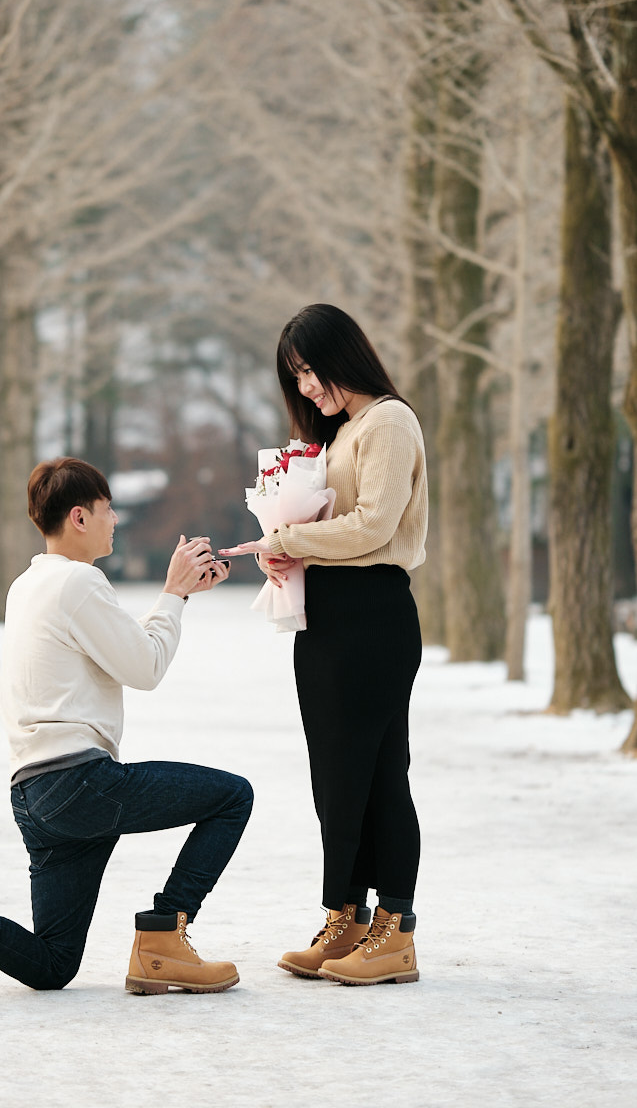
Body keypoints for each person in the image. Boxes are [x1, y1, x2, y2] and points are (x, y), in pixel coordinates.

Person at [0, 456, 251, 1004]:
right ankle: (163, 938)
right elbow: (146, 668)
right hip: (81, 784)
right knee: (231, 797)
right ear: (79, 516)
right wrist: (173, 594)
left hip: (33, 793)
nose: (115, 520)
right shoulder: (80, 583)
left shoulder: (28, 585)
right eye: (107, 510)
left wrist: (178, 596)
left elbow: (126, 652)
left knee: (53, 965)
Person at [254, 304, 427, 986]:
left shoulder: (387, 419)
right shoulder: (344, 431)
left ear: (342, 355)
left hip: (371, 616)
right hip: (327, 619)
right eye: (293, 377)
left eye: (309, 369)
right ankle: (345, 918)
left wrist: (288, 541)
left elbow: (373, 526)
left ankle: (395, 929)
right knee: (336, 777)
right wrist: (287, 554)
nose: (304, 387)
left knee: (377, 773)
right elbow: (333, 529)